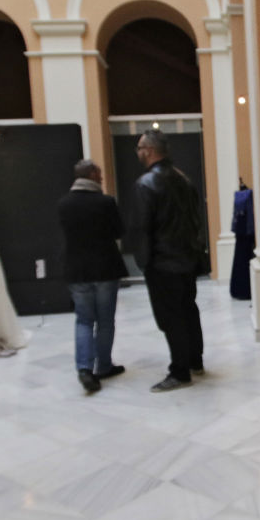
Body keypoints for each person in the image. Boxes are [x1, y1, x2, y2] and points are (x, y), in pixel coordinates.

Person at [128, 130, 205, 392]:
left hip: (162, 263)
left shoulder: (146, 184)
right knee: (188, 310)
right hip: (186, 260)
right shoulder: (184, 179)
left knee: (171, 318)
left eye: (140, 148)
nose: (138, 152)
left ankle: (180, 372)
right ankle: (195, 360)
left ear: (149, 151)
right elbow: (195, 220)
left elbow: (142, 228)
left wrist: (144, 262)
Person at [57, 159, 127, 394]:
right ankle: (104, 365)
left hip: (76, 270)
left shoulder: (64, 204)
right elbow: (118, 231)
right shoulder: (106, 202)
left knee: (84, 320)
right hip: (105, 268)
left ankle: (85, 369)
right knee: (105, 320)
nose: (102, 177)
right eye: (99, 173)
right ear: (92, 175)